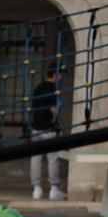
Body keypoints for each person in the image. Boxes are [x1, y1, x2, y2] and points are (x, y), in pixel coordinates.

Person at [27, 67, 67, 201]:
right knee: (53, 158)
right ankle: (54, 188)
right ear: (55, 74)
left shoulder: (38, 88)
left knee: (36, 158)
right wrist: (59, 121)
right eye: (61, 74)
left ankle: (36, 189)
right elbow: (53, 109)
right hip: (48, 129)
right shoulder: (53, 89)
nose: (61, 78)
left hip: (36, 127)